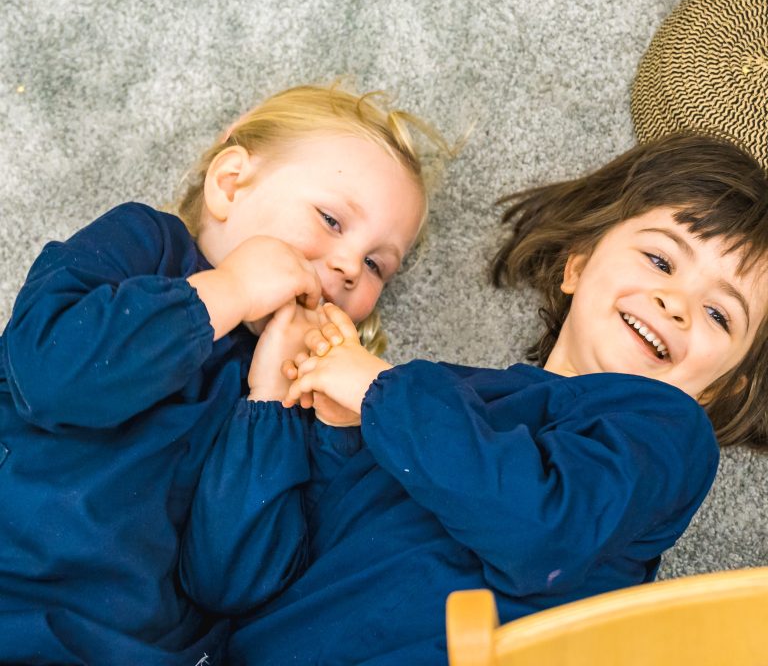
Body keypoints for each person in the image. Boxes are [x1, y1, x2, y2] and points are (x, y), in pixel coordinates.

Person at [181, 134, 768, 665]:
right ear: (579, 265)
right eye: (661, 260)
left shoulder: (663, 431)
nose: (675, 303)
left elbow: (543, 534)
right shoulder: (431, 401)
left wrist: (376, 391)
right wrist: (271, 407)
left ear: (721, 386)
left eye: (719, 314)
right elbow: (228, 584)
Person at [0, 83, 446, 665]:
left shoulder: (301, 405)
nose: (346, 267)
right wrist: (224, 294)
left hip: (136, 644)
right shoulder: (143, 245)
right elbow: (48, 375)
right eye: (332, 220)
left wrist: (269, 403)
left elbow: (230, 585)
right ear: (230, 183)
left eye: (375, 265)